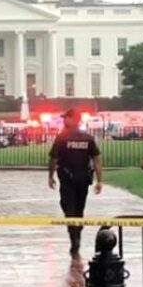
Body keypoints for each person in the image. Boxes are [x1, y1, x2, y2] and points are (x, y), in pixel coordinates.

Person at [48, 109, 103, 256]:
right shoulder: (88, 138)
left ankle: (74, 235)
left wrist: (50, 175)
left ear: (73, 119)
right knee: (80, 207)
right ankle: (77, 231)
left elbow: (53, 159)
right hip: (83, 177)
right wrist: (100, 180)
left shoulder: (62, 137)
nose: (64, 121)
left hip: (67, 178)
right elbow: (97, 159)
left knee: (68, 206)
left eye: (66, 118)